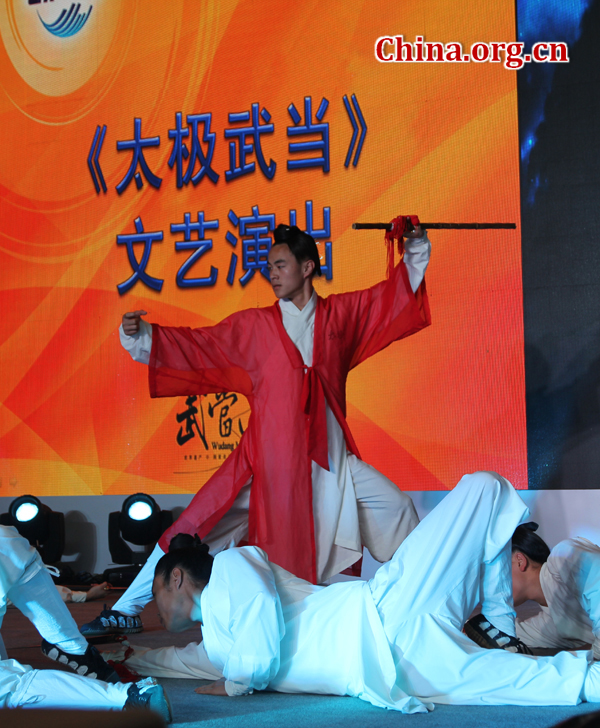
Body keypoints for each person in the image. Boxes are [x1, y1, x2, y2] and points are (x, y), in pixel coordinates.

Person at [82, 216, 431, 637]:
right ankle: (126, 606)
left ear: (307, 268)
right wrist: (145, 337)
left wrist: (414, 245)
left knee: (397, 509)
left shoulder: (342, 315)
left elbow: (389, 299)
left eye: (281, 265)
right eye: (269, 266)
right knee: (194, 526)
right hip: (268, 463)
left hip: (331, 460)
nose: (272, 274)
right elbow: (200, 346)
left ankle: (422, 606)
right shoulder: (254, 327)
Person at [151, 472, 600, 713]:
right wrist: (126, 661)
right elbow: (178, 659)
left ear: (176, 578)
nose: (155, 608)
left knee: (484, 488)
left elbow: (261, 623)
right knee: (533, 684)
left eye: (154, 594)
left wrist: (236, 684)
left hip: (384, 609)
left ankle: (498, 622)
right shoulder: (218, 648)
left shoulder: (231, 565)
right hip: (386, 676)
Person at [0, 525, 171, 720]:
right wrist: (80, 595)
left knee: (5, 688)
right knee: (66, 645)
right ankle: (76, 649)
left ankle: (130, 697)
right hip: (9, 544)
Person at [509, 527, 600, 658]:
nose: (490, 587)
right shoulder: (552, 623)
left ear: (520, 561)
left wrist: (572, 657)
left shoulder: (564, 555)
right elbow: (505, 634)